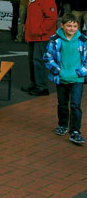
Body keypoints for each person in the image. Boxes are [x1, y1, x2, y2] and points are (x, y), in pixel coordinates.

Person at [44, 13, 87, 145]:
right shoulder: (55, 39)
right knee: (62, 103)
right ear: (62, 26)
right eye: (69, 26)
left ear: (78, 26)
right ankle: (62, 125)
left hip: (77, 79)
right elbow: (48, 57)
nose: (72, 28)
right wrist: (58, 71)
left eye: (74, 26)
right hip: (61, 77)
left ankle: (75, 131)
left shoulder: (84, 40)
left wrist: (80, 73)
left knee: (75, 105)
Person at [23, 0, 58, 97]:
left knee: (38, 60)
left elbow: (51, 17)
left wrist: (40, 30)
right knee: (33, 60)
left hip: (41, 35)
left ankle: (41, 86)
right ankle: (35, 83)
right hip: (34, 34)